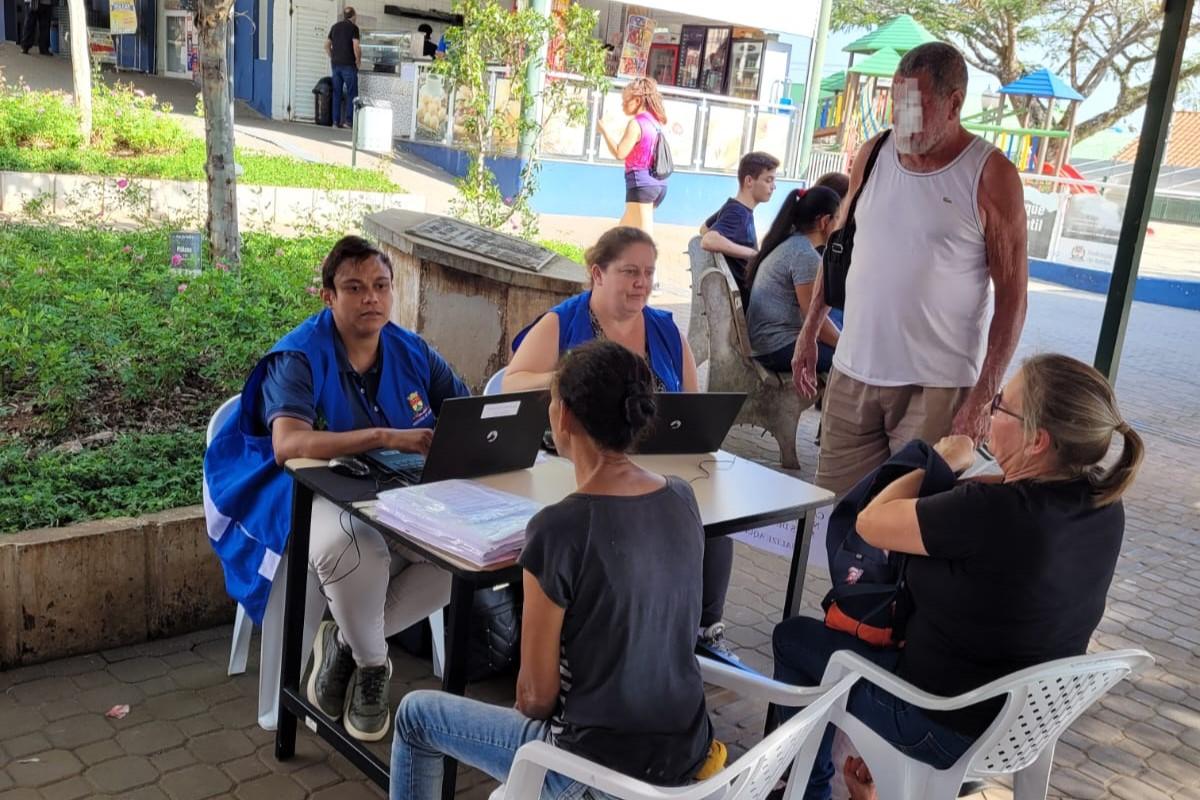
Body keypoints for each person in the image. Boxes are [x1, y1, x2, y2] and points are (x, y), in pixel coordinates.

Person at [772, 353, 1143, 800]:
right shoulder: (1102, 505)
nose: (989, 412)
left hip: (939, 722)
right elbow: (1000, 505)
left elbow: (871, 521)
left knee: (794, 638)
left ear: (1037, 440)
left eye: (1002, 405)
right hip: (1021, 726)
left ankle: (803, 790)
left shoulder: (989, 515)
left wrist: (939, 459)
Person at [391, 340, 716, 800]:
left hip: (590, 771)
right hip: (684, 755)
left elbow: (534, 699)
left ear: (563, 417)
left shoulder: (559, 527)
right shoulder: (682, 497)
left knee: (415, 716)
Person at [203, 236, 469, 742]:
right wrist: (385, 435)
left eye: (380, 286)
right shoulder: (300, 356)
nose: (371, 298)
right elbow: (288, 445)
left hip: (389, 488)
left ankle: (346, 645)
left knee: (460, 555)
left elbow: (463, 409)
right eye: (354, 287)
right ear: (328, 296)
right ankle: (373, 666)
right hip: (299, 489)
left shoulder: (411, 350)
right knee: (355, 547)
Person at [791, 42, 1029, 497]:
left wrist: (982, 398)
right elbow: (840, 247)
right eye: (895, 105)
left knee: (911, 527)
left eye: (915, 108)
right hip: (854, 373)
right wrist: (809, 330)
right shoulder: (874, 153)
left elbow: (1013, 298)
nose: (901, 122)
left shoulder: (990, 175)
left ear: (954, 104)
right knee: (837, 520)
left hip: (936, 387)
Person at [503, 228, 743, 661]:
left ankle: (704, 633)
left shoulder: (668, 332)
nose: (642, 283)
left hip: (656, 463)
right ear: (597, 273)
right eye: (630, 271)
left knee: (714, 525)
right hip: (576, 465)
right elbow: (510, 382)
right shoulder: (562, 323)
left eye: (649, 273)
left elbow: (690, 408)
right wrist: (571, 376)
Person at [745, 187, 842, 375]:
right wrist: (847, 348)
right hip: (776, 349)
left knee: (839, 320)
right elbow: (814, 324)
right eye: (837, 218)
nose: (840, 225)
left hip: (768, 341)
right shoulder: (804, 255)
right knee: (850, 363)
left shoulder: (791, 242)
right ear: (824, 221)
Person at [700, 151, 780, 299]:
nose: (773, 187)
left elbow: (704, 229)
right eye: (768, 180)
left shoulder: (733, 207)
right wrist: (754, 254)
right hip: (747, 306)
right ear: (749, 181)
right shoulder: (737, 213)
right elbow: (708, 239)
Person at [597, 77, 670, 235]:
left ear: (637, 100)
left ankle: (646, 260)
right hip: (659, 184)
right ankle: (610, 258)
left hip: (641, 184)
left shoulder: (636, 123)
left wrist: (604, 131)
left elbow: (620, 152)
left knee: (644, 235)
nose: (622, 104)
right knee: (622, 233)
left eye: (625, 100)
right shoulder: (656, 122)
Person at [325, 7, 361, 129]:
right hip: (348, 65)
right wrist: (358, 60)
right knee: (352, 93)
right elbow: (356, 46)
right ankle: (348, 122)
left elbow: (326, 45)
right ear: (353, 16)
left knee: (336, 93)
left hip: (336, 65)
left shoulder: (334, 27)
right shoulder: (354, 28)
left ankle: (335, 122)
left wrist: (332, 56)